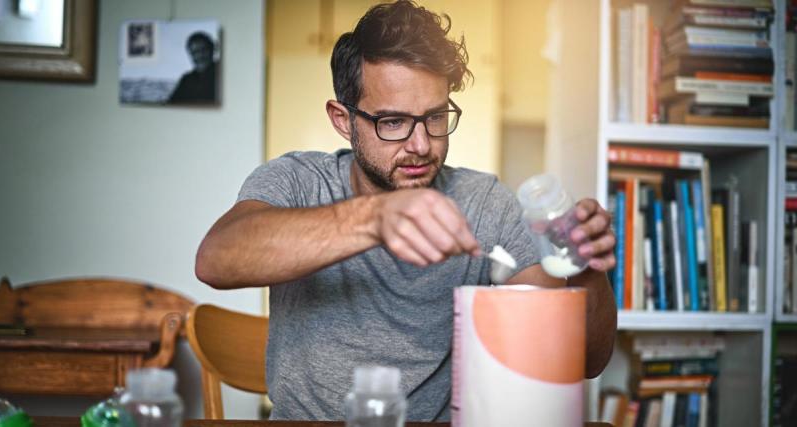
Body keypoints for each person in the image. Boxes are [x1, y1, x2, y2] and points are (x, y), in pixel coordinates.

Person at [195, 0, 617, 421]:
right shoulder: (298, 180)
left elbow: (584, 361)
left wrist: (584, 267)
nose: (420, 144)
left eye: (434, 117)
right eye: (393, 122)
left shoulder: (485, 202)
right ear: (343, 119)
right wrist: (375, 217)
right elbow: (216, 260)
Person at [168, 31, 217, 104]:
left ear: (212, 49)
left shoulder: (223, 74)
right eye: (195, 52)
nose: (200, 56)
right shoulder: (186, 80)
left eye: (203, 50)